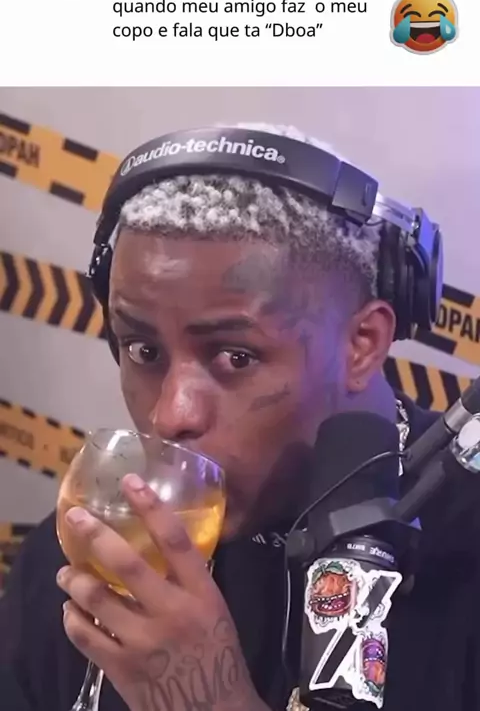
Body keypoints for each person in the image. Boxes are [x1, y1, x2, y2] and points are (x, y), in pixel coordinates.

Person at [0, 122, 478, 711]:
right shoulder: (91, 556)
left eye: (235, 357)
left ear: (362, 343)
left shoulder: (466, 556)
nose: (170, 415)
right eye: (143, 350)